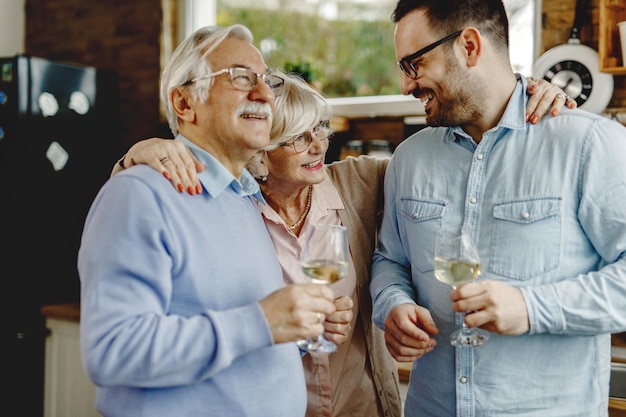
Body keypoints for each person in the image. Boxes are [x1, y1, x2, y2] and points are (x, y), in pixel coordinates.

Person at [111, 73, 574, 417]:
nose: (318, 146)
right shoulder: (229, 206)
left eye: (322, 129)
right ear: (259, 146)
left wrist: (518, 94)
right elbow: (142, 215)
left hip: (362, 406)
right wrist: (141, 153)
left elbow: (449, 165)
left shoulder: (360, 182)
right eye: (297, 137)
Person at [370, 0, 626, 416]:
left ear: (469, 46)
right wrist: (393, 304)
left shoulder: (588, 146)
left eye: (414, 64)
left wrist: (530, 309)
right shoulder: (408, 158)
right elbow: (390, 260)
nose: (405, 86)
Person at [78, 24, 339, 417]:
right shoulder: (138, 195)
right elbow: (112, 351)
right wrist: (263, 322)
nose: (265, 93)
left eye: (266, 80)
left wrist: (299, 331)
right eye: (240, 77)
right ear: (184, 104)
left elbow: (241, 333)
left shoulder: (245, 199)